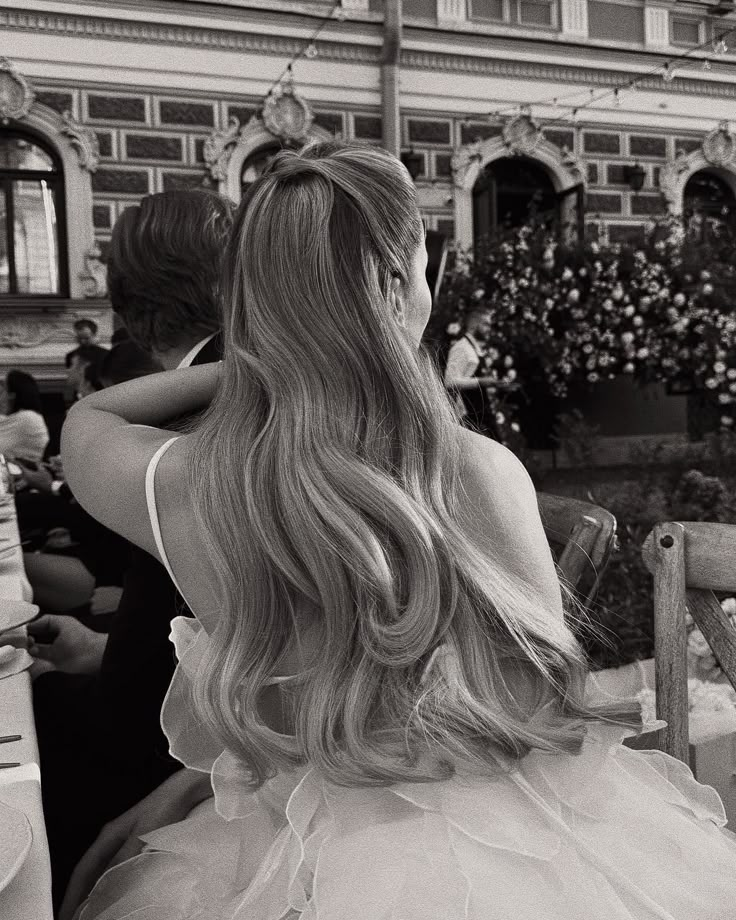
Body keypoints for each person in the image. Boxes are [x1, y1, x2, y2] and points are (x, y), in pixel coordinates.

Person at [61, 142, 736, 920]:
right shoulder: (476, 472)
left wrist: (270, 355)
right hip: (493, 865)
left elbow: (90, 416)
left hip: (282, 855)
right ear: (392, 286)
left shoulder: (184, 484)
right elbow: (545, 719)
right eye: (420, 267)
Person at [30, 188, 232, 912]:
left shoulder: (180, 410)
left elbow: (137, 704)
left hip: (186, 761)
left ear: (127, 303)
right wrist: (97, 647)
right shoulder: (234, 383)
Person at [0, 369, 50, 462]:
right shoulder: (28, 417)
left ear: (12, 395)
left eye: (3, 392)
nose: (1, 398)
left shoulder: (28, 418)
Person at [65, 320, 109, 404]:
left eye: (86, 338)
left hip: (100, 398)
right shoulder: (70, 356)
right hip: (79, 399)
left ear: (95, 335)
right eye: (79, 338)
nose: (82, 342)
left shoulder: (106, 355)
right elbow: (71, 383)